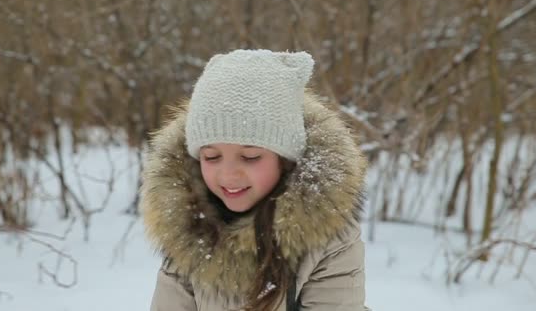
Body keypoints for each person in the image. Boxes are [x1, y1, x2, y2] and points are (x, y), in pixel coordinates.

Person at [140, 49, 369, 310]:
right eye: (212, 157)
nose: (228, 174)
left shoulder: (328, 237)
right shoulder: (189, 227)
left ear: (285, 159)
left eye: (250, 157)